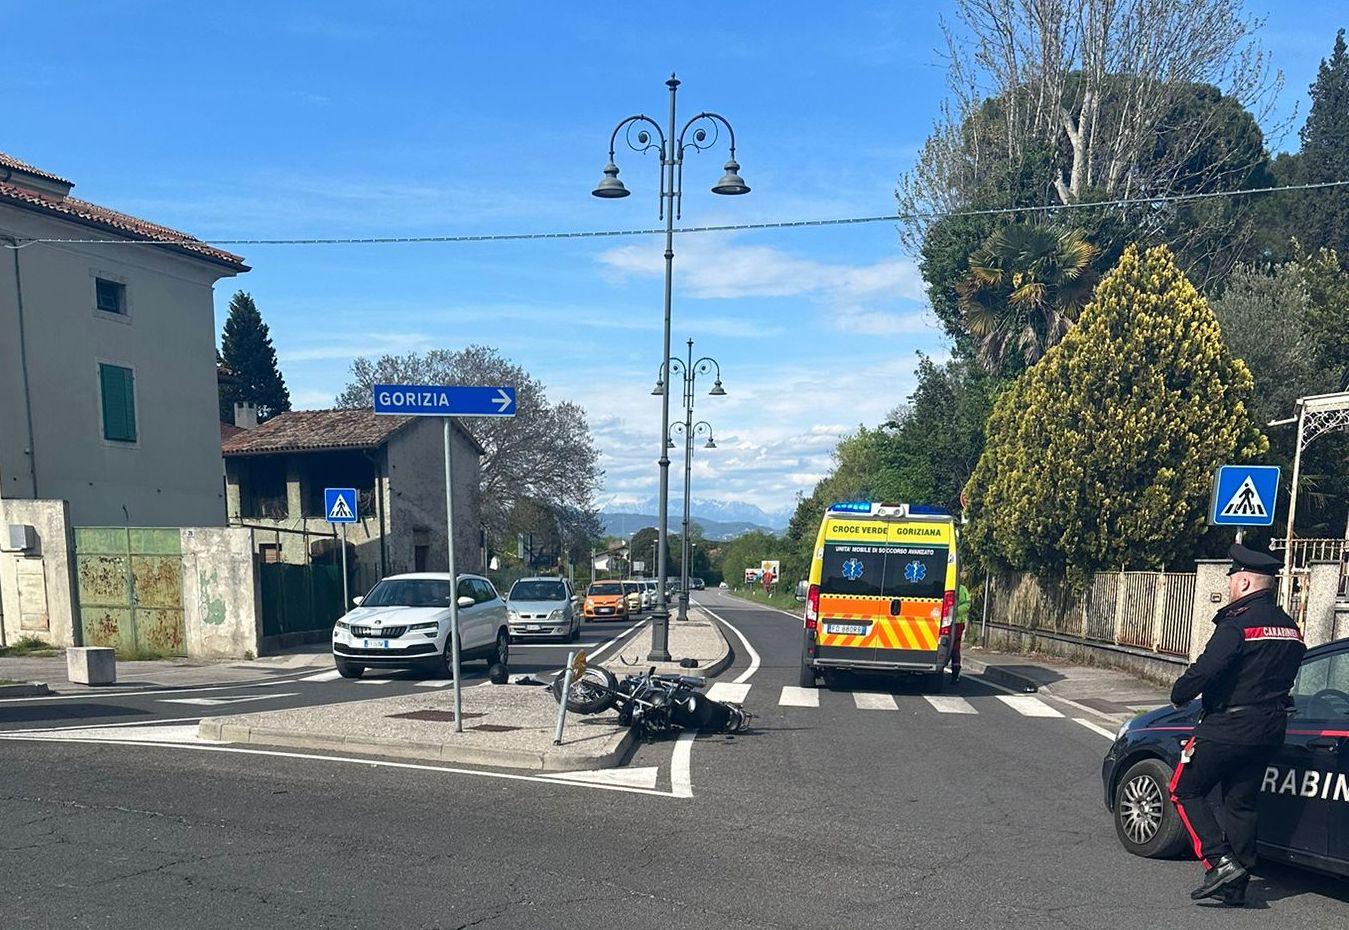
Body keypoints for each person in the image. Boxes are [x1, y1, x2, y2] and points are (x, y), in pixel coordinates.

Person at [1168, 543, 1305, 906]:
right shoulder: (1292, 629)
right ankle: (1237, 884)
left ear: (1244, 583)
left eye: (1232, 579)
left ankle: (1219, 861)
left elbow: (1206, 670)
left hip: (1228, 727)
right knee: (1241, 802)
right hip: (1270, 728)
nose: (1229, 585)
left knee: (1185, 788)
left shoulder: (1238, 624)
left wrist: (1179, 693)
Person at [951, 583, 970, 684]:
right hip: (942, 622)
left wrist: (954, 611)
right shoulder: (942, 585)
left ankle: (955, 674)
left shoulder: (961, 588)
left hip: (957, 623)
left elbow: (967, 604)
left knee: (955, 649)